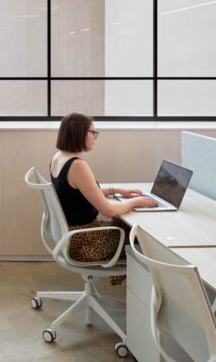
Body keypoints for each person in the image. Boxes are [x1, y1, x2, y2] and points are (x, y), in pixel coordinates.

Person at [50, 112, 156, 267]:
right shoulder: (77, 166)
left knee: (126, 226)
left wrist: (117, 190)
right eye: (93, 132)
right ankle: (147, 288)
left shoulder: (59, 157)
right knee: (144, 238)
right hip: (87, 243)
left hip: (72, 237)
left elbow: (79, 192)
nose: (95, 137)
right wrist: (136, 202)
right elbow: (109, 211)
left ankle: (129, 284)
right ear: (80, 134)